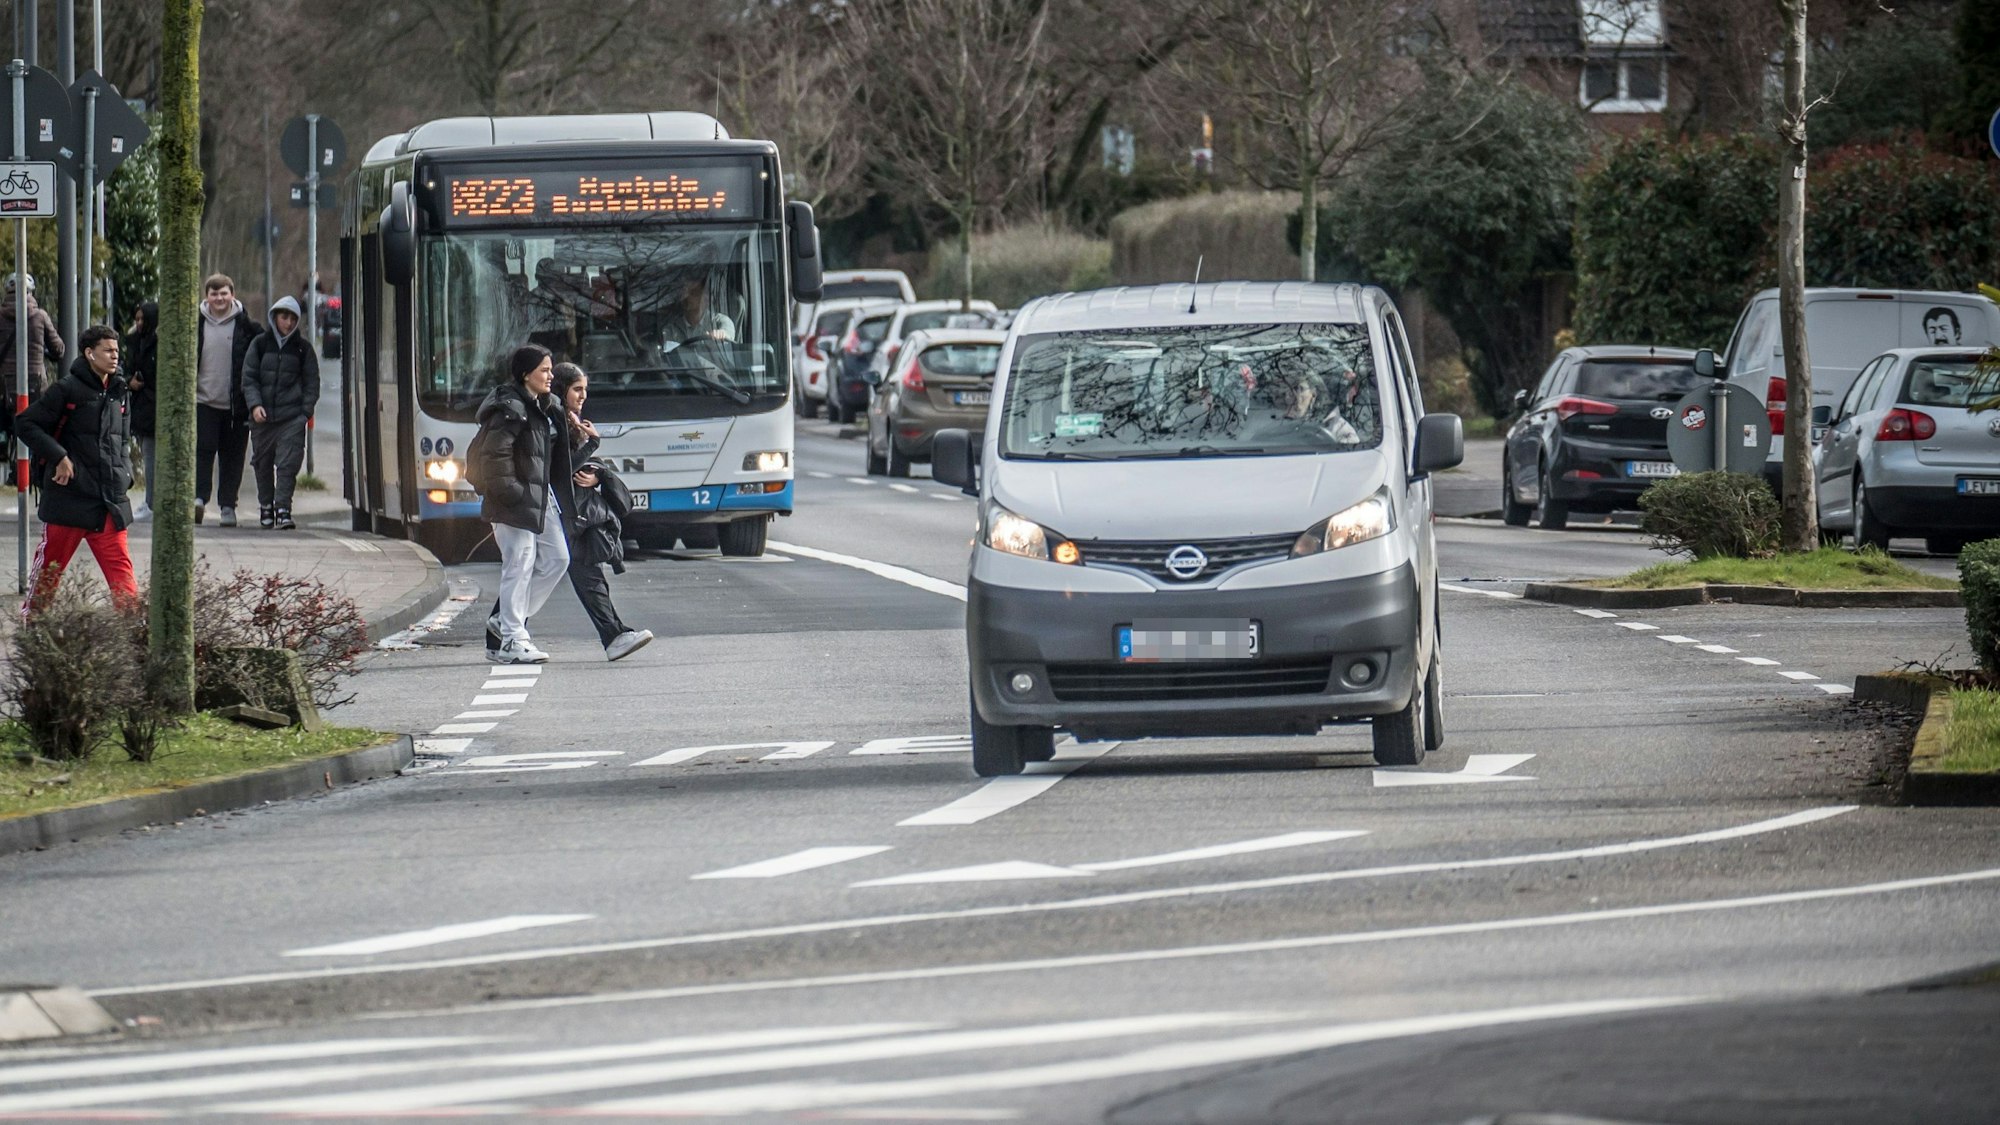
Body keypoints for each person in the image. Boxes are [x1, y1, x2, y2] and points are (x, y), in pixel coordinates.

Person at [14, 325, 138, 616]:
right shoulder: (66, 389)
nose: (114, 356)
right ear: (89, 353)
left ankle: (134, 637)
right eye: (107, 350)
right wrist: (59, 457)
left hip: (109, 501)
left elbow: (123, 440)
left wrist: (125, 475)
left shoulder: (120, 391)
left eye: (117, 350)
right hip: (69, 500)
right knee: (48, 575)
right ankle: (33, 630)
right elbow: (25, 424)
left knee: (125, 585)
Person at [473, 344, 573, 664]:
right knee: (519, 565)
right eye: (544, 369)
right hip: (513, 501)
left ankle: (506, 622)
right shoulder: (511, 408)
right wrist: (514, 494)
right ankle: (513, 640)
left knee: (557, 558)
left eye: (550, 368)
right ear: (525, 374)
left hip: (537, 499)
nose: (551, 375)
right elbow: (493, 458)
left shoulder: (541, 405)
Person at [552, 362, 652, 661]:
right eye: (577, 389)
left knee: (588, 577)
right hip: (562, 515)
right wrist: (593, 444)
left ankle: (615, 634)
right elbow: (561, 469)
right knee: (533, 576)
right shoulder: (556, 420)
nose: (583, 395)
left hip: (575, 517)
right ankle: (503, 631)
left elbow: (572, 466)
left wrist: (597, 471)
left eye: (585, 389)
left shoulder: (570, 418)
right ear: (562, 389)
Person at [241, 295, 321, 531]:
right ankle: (266, 505)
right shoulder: (259, 345)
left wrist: (303, 414)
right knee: (262, 463)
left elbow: (312, 383)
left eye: (292, 318)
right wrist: (255, 405)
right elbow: (249, 378)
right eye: (283, 317)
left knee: (288, 464)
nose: (287, 322)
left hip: (291, 417)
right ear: (274, 317)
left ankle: (283, 508)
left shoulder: (302, 349)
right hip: (262, 418)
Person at [193, 274, 262, 527]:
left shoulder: (248, 327)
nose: (219, 298)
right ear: (206, 296)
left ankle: (227, 507)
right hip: (204, 401)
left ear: (232, 294)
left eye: (224, 293)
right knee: (203, 450)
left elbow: (259, 361)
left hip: (236, 404)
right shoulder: (196, 324)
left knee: (232, 457)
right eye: (214, 293)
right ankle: (198, 499)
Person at [0, 273, 65, 445]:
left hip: (6, 381)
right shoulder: (40, 316)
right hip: (35, 380)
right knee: (36, 421)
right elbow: (58, 349)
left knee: (7, 417)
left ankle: (5, 443)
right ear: (31, 292)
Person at [123, 302, 159, 521]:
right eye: (137, 319)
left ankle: (152, 502)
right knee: (149, 456)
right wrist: (130, 381)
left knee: (152, 458)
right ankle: (150, 501)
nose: (139, 324)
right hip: (143, 407)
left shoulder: (157, 342)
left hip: (152, 405)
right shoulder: (134, 341)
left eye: (142, 320)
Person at [658, 274, 735, 349]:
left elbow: (727, 333)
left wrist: (720, 334)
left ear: (706, 298)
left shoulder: (720, 321)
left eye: (693, 293)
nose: (686, 297)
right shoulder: (672, 327)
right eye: (684, 292)